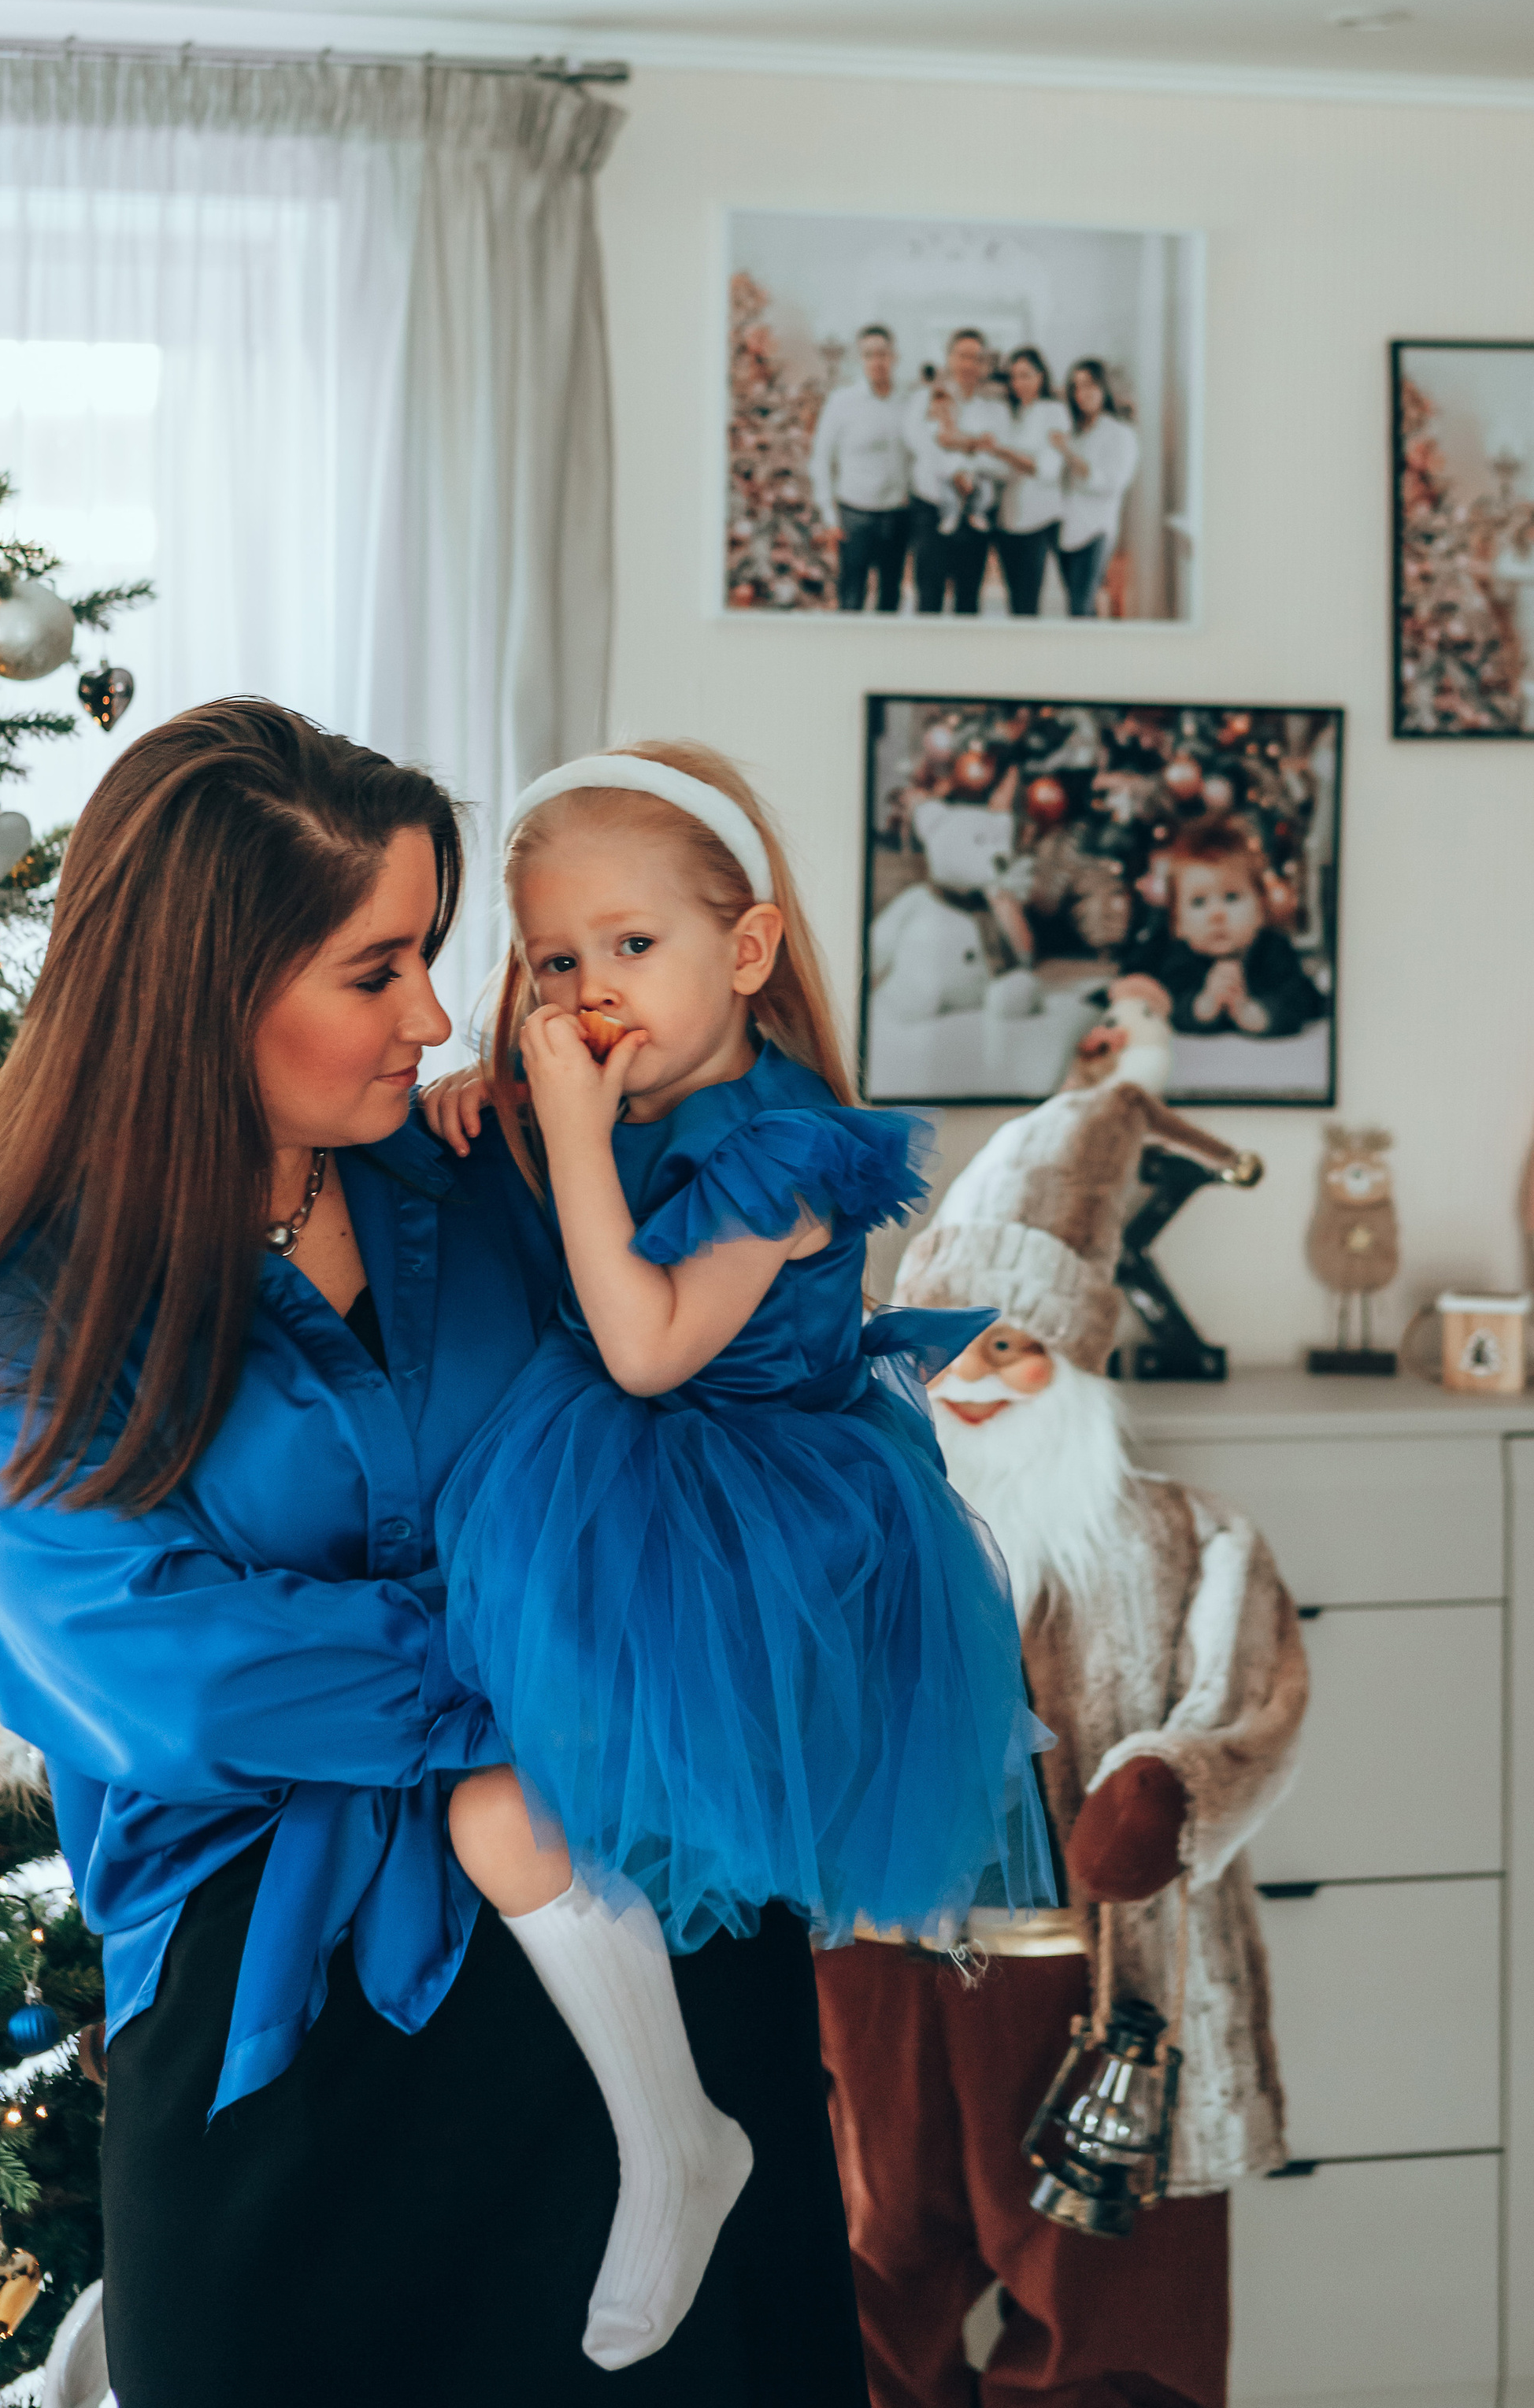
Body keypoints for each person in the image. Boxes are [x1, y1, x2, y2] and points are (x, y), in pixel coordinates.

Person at [0, 702, 869, 2408]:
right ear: (205, 991)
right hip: (290, 2011)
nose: (432, 1011)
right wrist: (574, 1653)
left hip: (645, 1959)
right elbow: (157, 1665)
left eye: (433, 955)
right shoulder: (7, 1293)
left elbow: (737, 1399)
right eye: (376, 968)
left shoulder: (483, 1168)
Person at [423, 739, 1054, 2367]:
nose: (592, 992)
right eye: (557, 958)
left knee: (518, 1814)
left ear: (748, 950)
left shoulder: (782, 1150)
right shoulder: (624, 1102)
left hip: (749, 1530)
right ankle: (655, 2127)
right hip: (634, 1507)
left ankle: (677, 2139)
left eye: (633, 947)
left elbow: (640, 1345)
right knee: (501, 1810)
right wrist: (495, 1102)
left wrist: (562, 1131)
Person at [810, 1071, 1308, 2408]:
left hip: (1090, 1989)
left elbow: (1246, 1705)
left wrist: (1161, 1792)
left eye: (1010, 1347)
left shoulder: (1181, 1538)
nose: (969, 1382)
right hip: (882, 1971)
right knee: (870, 2292)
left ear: (1074, 1359)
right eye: (947, 1345)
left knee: (1110, 2315)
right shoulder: (861, 1529)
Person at [1128, 818, 1327, 1039]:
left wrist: (1253, 1012)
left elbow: (1295, 1002)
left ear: (1261, 908)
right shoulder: (1179, 957)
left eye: (1232, 897)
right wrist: (1204, 1004)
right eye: (1198, 902)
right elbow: (1170, 1001)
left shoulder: (1274, 949)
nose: (1217, 914)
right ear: (1178, 923)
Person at [809, 321, 915, 612]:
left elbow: (918, 454)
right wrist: (829, 516)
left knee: (890, 597)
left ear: (894, 356)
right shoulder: (842, 402)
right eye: (869, 355)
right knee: (851, 597)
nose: (877, 361)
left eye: (882, 354)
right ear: (861, 359)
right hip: (854, 517)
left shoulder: (908, 402)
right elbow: (821, 459)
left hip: (896, 515)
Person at [910, 328, 1008, 613]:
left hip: (976, 515)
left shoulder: (994, 411)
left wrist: (967, 464)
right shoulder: (926, 400)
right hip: (931, 511)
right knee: (929, 598)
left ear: (986, 365)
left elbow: (1001, 461)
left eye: (977, 358)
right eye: (962, 356)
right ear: (949, 358)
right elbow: (921, 444)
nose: (969, 365)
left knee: (968, 600)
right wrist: (958, 467)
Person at [985, 347, 1071, 617]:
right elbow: (999, 469)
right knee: (1015, 600)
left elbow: (1048, 467)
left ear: (1041, 377)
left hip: (1040, 518)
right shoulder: (1012, 413)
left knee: (1030, 600)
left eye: (1026, 376)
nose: (1018, 383)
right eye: (1014, 377)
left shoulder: (1055, 412)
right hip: (1007, 519)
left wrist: (1002, 452)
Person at [1054, 357, 1141, 618]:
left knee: (1080, 607)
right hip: (1066, 529)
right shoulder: (1075, 432)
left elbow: (1113, 483)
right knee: (1079, 606)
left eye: (1090, 385)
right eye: (1076, 387)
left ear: (1104, 388)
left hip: (1096, 530)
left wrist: (1068, 453)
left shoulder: (1120, 434)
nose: (1083, 394)